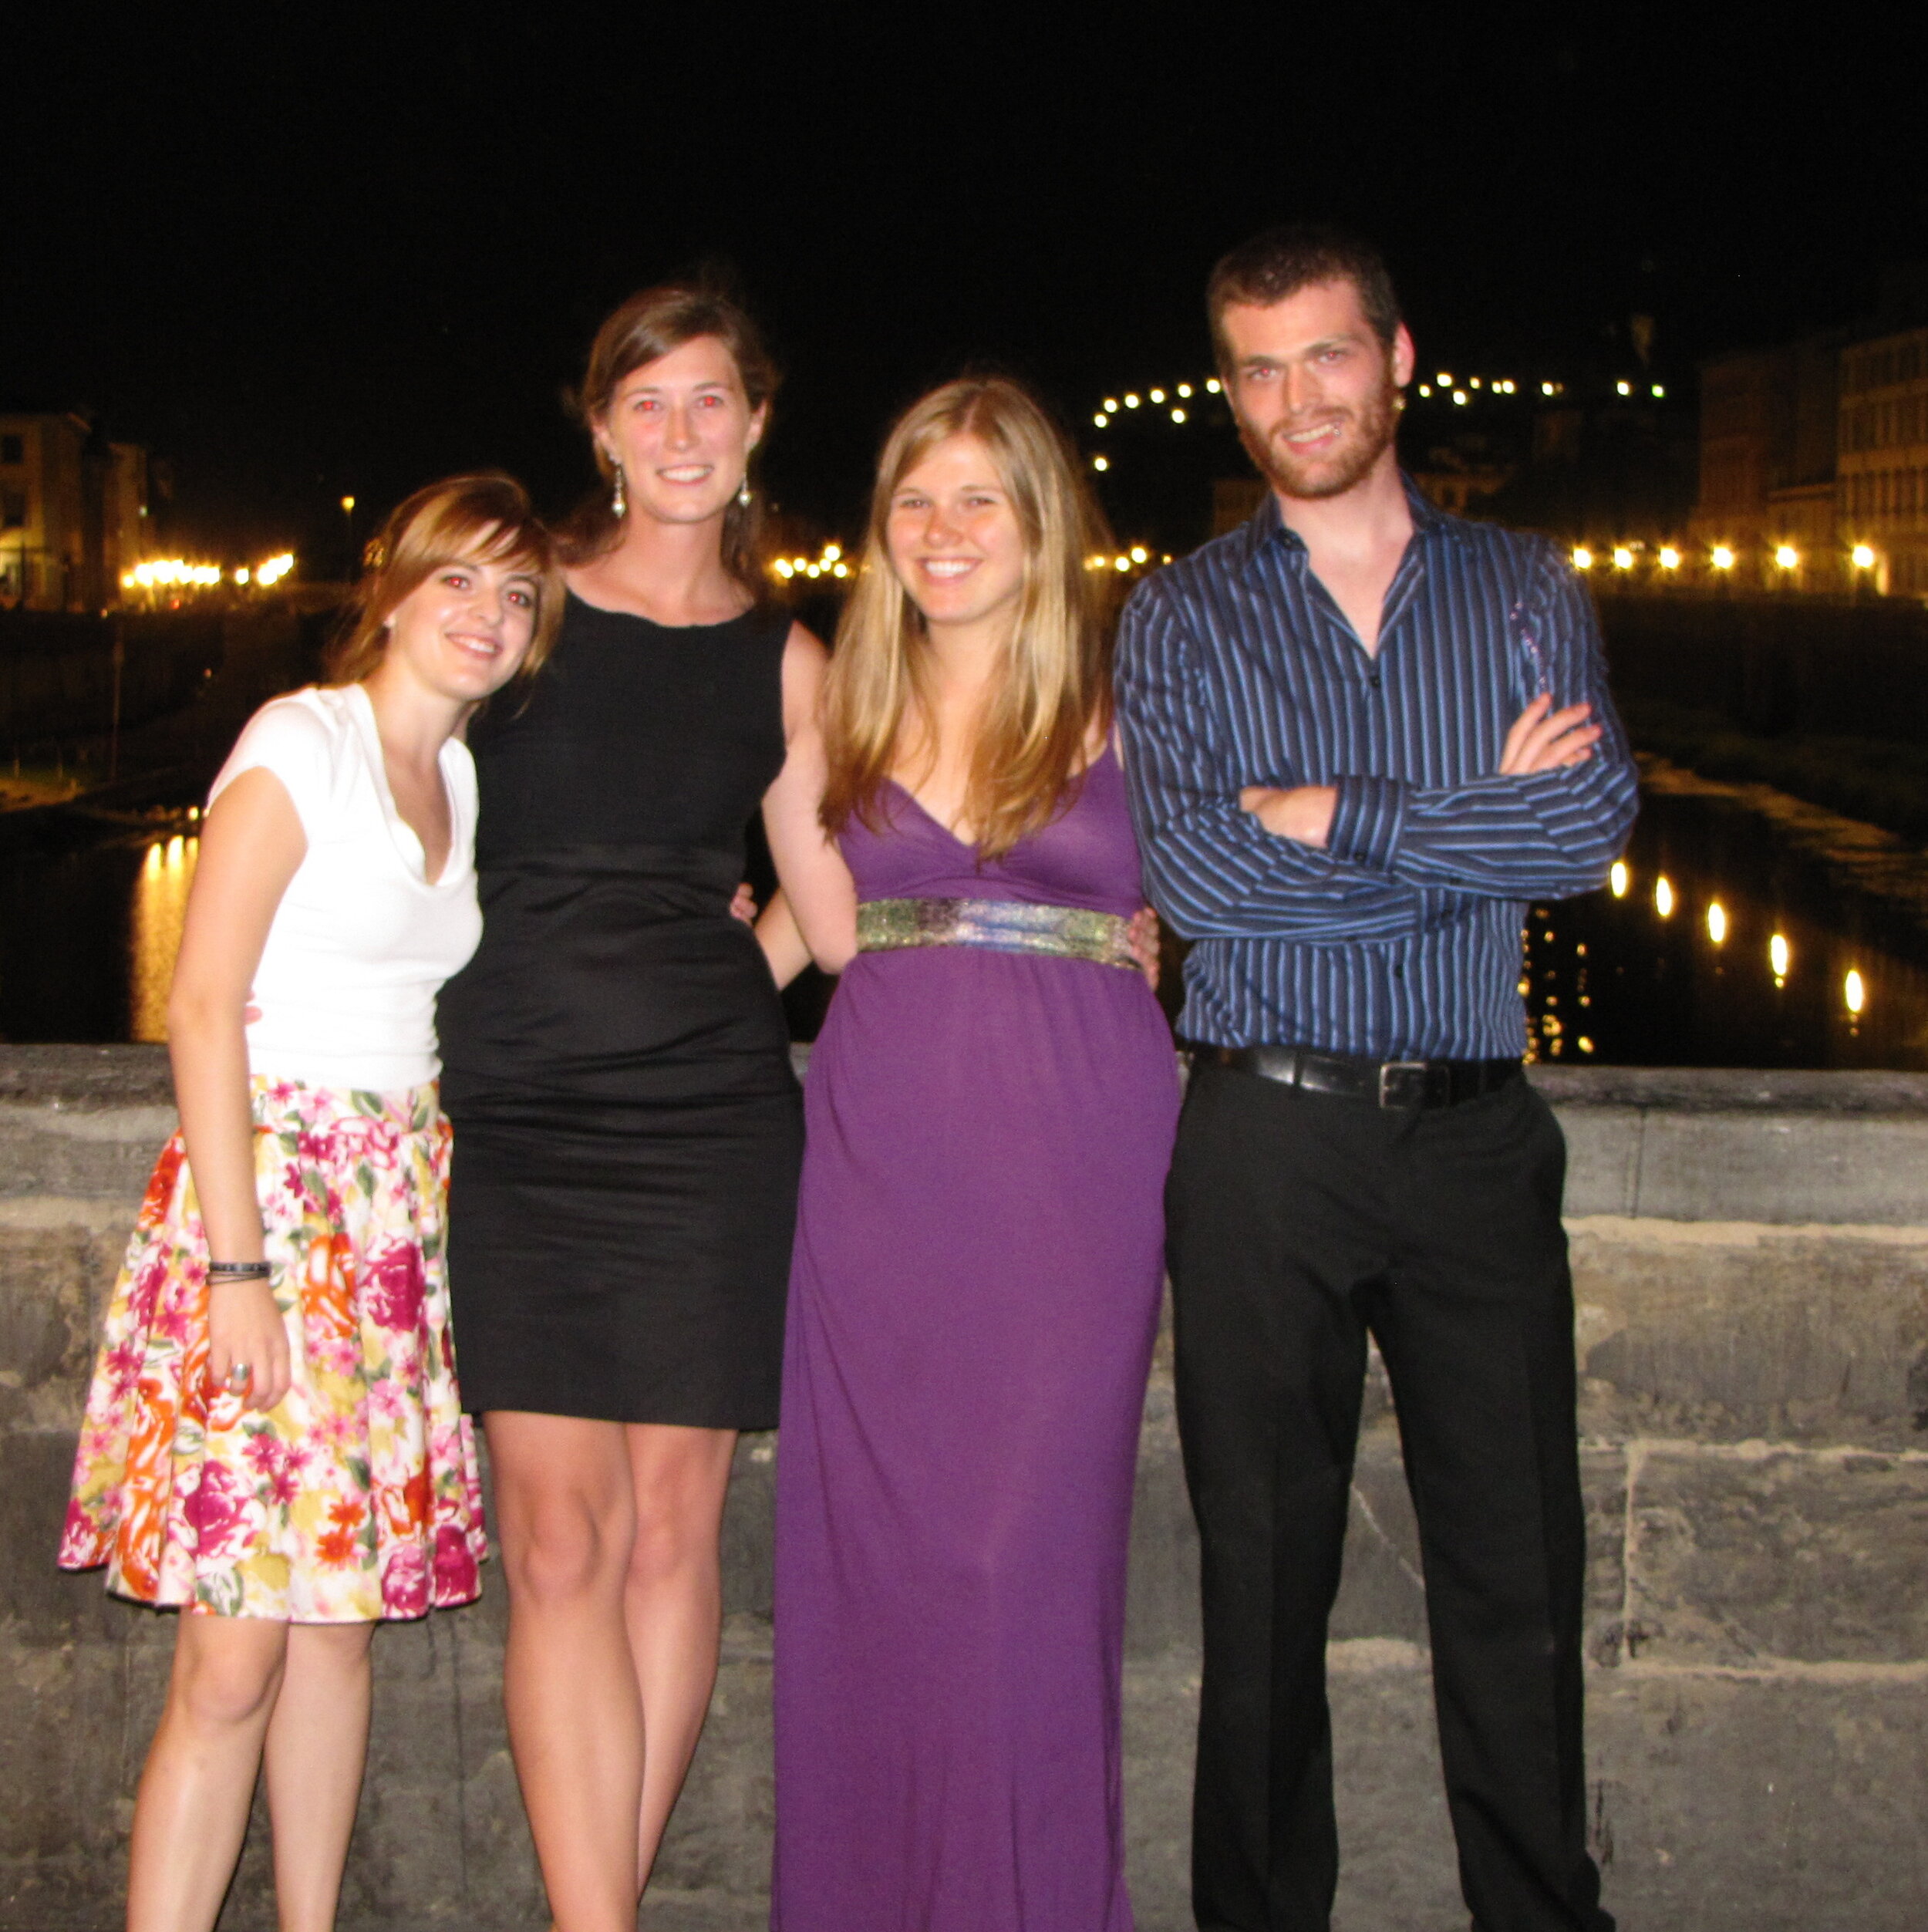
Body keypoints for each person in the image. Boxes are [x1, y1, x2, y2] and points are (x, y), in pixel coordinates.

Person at [1114, 224, 1636, 1932]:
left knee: (1516, 1576)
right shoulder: (1177, 617)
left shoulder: (1521, 587)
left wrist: (1326, 811)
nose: (1291, 399)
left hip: (1476, 1137)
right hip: (1262, 1130)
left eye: (1323, 356)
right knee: (1260, 1582)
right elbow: (1197, 883)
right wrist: (1457, 831)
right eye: (1255, 369)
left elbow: (1580, 826)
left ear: (1397, 358)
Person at [59, 474, 558, 1932]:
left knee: (337, 1630)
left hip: (392, 1214)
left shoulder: (458, 780)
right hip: (266, 1203)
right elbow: (203, 1004)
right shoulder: (304, 739)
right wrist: (238, 1267)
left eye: (517, 595)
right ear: (391, 593)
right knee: (231, 1656)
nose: (487, 614)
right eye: (458, 581)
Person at [432, 285, 849, 1932]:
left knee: (675, 1530)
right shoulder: (517, 611)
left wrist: (699, 998)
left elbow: (824, 908)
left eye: (712, 402)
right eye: (647, 403)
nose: (681, 431)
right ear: (598, 426)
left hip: (706, 1133)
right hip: (520, 1121)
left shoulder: (788, 656)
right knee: (553, 1544)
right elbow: (391, 784)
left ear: (754, 427)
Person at [766, 376, 1181, 1932]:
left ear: (1041, 522)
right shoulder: (838, 705)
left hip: (1071, 1158)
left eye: (977, 501)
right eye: (913, 501)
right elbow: (816, 936)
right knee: (878, 1571)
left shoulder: (1133, 686)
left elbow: (1232, 872)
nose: (941, 533)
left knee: (1019, 1563)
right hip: (880, 1162)